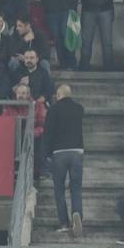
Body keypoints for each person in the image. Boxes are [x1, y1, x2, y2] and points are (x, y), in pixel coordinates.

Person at [46, 84, 84, 236]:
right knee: (76, 188)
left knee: (59, 189)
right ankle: (78, 215)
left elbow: (48, 132)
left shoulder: (53, 109)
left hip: (59, 153)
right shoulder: (79, 108)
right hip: (77, 152)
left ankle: (64, 222)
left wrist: (47, 153)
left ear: (58, 94)